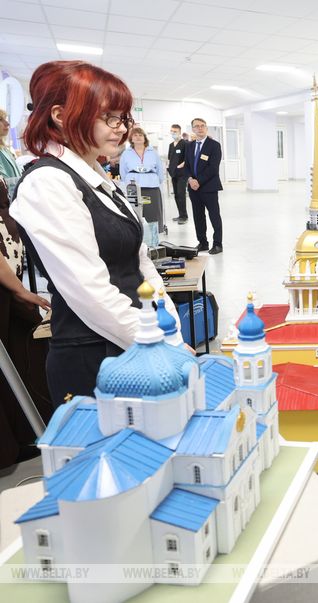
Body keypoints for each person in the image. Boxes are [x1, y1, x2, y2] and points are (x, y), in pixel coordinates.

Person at [10, 60, 177, 405]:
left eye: (123, 118)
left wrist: (168, 325)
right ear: (60, 115)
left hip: (138, 344)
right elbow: (91, 293)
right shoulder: (47, 183)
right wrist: (160, 345)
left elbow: (141, 263)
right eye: (108, 118)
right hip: (96, 357)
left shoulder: (97, 177)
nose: (121, 128)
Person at [0, 176, 53, 467]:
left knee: (23, 353)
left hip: (11, 284)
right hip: (7, 287)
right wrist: (20, 290)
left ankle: (23, 434)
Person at [184, 117, 223, 255]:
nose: (200, 128)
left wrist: (198, 181)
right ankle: (203, 242)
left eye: (202, 126)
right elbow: (186, 166)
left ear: (206, 128)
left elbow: (213, 168)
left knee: (214, 216)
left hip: (209, 187)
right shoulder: (189, 146)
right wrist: (190, 179)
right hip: (193, 188)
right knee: (198, 216)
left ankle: (217, 244)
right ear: (193, 129)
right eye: (197, 126)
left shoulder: (214, 145)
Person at [120, 126, 166, 233]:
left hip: (151, 186)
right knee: (135, 212)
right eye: (135, 135)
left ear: (145, 138)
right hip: (133, 187)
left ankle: (153, 235)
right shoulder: (126, 153)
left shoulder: (153, 152)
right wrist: (127, 183)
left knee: (153, 212)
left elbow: (160, 170)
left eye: (140, 135)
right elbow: (123, 171)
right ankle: (137, 234)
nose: (138, 137)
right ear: (131, 139)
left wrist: (156, 181)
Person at [167, 123, 188, 224]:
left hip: (182, 174)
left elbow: (188, 158)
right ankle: (180, 215)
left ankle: (184, 216)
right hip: (173, 173)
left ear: (179, 132)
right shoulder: (171, 145)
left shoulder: (185, 144)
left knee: (181, 194)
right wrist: (169, 167)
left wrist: (181, 165)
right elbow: (170, 158)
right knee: (176, 195)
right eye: (172, 131)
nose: (173, 133)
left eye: (175, 131)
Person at [0, 109, 22, 197]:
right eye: (0, 120)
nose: (7, 123)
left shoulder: (5, 149)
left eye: (5, 119)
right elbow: (4, 184)